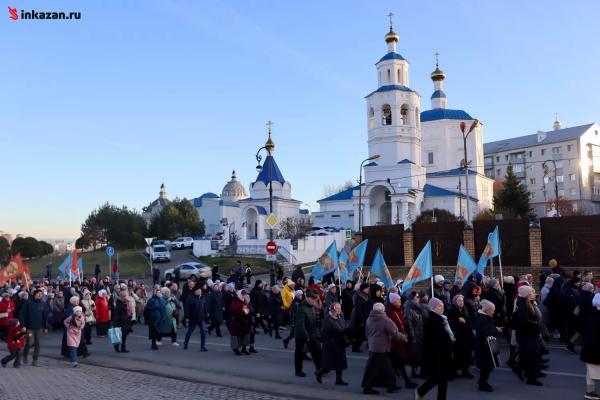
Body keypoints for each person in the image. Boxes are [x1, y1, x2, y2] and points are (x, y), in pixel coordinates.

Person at [415, 298, 454, 400]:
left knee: (440, 379)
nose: (442, 308)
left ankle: (420, 392)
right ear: (433, 307)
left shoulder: (442, 318)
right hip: (437, 355)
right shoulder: (432, 320)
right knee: (438, 378)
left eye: (442, 306)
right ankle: (420, 391)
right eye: (439, 306)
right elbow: (432, 340)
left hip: (442, 354)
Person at [361, 302, 401, 394]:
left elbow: (367, 333)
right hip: (382, 348)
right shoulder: (385, 320)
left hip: (373, 346)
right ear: (383, 310)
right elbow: (394, 333)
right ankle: (368, 388)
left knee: (383, 368)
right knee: (378, 369)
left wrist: (370, 342)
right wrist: (404, 338)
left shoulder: (369, 319)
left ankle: (391, 385)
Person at [386, 292, 417, 389]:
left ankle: (403, 382)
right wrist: (404, 336)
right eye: (398, 300)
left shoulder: (398, 310)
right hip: (395, 342)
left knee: (398, 363)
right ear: (394, 302)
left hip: (398, 340)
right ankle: (393, 385)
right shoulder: (392, 312)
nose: (400, 301)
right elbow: (398, 327)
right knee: (396, 362)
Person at [513, 285, 543, 386]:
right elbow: (524, 321)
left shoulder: (527, 303)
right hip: (528, 336)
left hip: (528, 335)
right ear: (527, 295)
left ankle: (521, 370)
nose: (534, 294)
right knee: (531, 357)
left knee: (526, 356)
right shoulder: (523, 305)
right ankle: (531, 378)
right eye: (532, 292)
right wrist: (536, 325)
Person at [315, 302, 349, 385]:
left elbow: (345, 325)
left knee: (340, 362)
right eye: (337, 308)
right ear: (333, 309)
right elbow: (326, 332)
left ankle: (339, 380)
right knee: (328, 364)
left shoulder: (340, 316)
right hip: (331, 344)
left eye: (340, 308)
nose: (339, 310)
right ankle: (319, 373)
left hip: (340, 343)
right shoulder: (328, 319)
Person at [472, 299, 502, 392]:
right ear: (487, 310)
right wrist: (496, 330)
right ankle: (482, 383)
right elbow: (484, 333)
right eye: (492, 310)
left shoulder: (484, 317)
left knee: (489, 366)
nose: (493, 312)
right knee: (487, 366)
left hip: (488, 345)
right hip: (485, 347)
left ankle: (482, 382)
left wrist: (495, 329)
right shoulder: (482, 319)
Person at [294, 290, 322, 377]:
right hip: (302, 335)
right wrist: (306, 336)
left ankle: (320, 368)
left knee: (317, 351)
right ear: (307, 298)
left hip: (312, 333)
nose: (313, 301)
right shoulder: (301, 307)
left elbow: (314, 320)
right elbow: (300, 324)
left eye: (314, 300)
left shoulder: (311, 306)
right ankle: (298, 371)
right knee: (299, 352)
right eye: (312, 299)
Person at [18, 289, 48, 367]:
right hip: (29, 327)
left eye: (41, 294)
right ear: (34, 294)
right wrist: (22, 325)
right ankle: (25, 355)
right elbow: (22, 315)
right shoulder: (28, 303)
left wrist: (45, 327)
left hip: (39, 328)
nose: (40, 295)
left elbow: (45, 317)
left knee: (38, 344)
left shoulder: (43, 304)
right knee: (29, 343)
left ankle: (35, 360)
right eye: (38, 293)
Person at [447, 294, 474, 379]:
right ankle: (453, 372)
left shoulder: (465, 309)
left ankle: (465, 371)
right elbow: (450, 323)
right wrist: (457, 320)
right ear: (455, 301)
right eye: (459, 300)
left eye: (462, 300)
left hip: (466, 336)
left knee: (466, 354)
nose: (461, 302)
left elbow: (468, 320)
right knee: (457, 354)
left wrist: (464, 321)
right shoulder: (451, 310)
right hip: (457, 336)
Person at [580, 293, 600, 400]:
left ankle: (590, 392)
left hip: (590, 347)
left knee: (590, 372)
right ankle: (590, 392)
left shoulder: (592, 313)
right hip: (595, 348)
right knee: (593, 371)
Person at [405, 291, 426, 379]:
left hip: (420, 334)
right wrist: (413, 337)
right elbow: (409, 325)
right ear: (412, 298)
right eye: (417, 297)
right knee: (414, 355)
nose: (419, 298)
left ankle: (416, 371)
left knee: (418, 354)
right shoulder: (409, 309)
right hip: (415, 336)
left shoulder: (418, 308)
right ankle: (413, 372)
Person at [183, 284, 208, 351]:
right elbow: (187, 308)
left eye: (200, 290)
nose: (200, 291)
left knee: (203, 332)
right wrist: (187, 317)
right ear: (195, 291)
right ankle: (186, 343)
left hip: (201, 318)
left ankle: (202, 346)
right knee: (190, 332)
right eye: (198, 290)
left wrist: (206, 314)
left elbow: (204, 306)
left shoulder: (203, 297)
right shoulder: (190, 298)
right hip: (193, 318)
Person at [230, 289, 253, 355]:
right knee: (236, 336)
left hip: (245, 321)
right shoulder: (235, 301)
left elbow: (249, 310)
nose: (244, 296)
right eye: (243, 294)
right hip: (237, 321)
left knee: (245, 335)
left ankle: (244, 348)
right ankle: (236, 349)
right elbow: (235, 310)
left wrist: (247, 310)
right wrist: (244, 310)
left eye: (245, 294)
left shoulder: (245, 301)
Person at [350, 283, 371, 352]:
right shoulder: (359, 297)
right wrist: (360, 320)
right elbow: (358, 309)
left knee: (361, 334)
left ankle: (356, 346)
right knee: (360, 334)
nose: (368, 289)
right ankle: (355, 347)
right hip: (360, 318)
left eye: (368, 288)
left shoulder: (367, 295)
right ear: (363, 289)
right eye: (366, 288)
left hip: (365, 317)